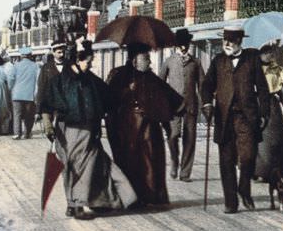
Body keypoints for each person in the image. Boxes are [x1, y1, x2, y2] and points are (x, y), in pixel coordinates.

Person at [40, 39, 136, 219]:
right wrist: (47, 126)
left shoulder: (92, 81)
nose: (90, 65)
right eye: (88, 62)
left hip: (89, 131)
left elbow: (110, 96)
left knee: (86, 166)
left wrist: (127, 90)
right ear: (76, 60)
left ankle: (79, 204)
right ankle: (73, 203)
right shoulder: (58, 82)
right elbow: (45, 106)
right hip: (67, 131)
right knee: (70, 167)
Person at [199, 25, 269, 213]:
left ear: (240, 42)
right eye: (225, 40)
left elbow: (262, 88)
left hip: (247, 117)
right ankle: (231, 201)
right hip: (224, 117)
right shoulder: (218, 61)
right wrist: (207, 104)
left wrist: (264, 113)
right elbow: (206, 86)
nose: (227, 44)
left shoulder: (251, 59)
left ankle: (244, 188)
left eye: (232, 40)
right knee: (226, 160)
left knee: (248, 157)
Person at [107, 43, 184, 207]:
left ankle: (151, 196)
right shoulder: (119, 75)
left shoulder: (151, 78)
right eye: (146, 58)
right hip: (127, 128)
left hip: (149, 129)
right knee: (130, 162)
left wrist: (183, 108)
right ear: (134, 60)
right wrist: (128, 90)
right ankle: (131, 198)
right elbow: (109, 100)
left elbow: (169, 98)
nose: (149, 62)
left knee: (150, 162)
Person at [158, 28, 203, 182]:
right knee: (173, 136)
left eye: (186, 44)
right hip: (173, 107)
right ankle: (174, 162)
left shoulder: (195, 62)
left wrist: (206, 104)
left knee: (190, 139)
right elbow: (160, 83)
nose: (184, 48)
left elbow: (202, 85)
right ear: (176, 46)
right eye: (181, 45)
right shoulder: (169, 61)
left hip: (191, 106)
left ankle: (185, 172)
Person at [254, 42, 283, 191]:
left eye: (272, 52)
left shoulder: (278, 70)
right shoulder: (254, 69)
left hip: (273, 105)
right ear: (260, 53)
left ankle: (274, 171)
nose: (270, 55)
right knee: (260, 139)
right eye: (266, 52)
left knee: (276, 138)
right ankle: (259, 172)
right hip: (257, 104)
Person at [36, 37, 68, 141]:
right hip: (48, 105)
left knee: (62, 132)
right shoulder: (46, 68)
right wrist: (37, 110)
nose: (62, 54)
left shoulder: (70, 66)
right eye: (59, 52)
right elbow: (41, 88)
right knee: (49, 131)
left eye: (63, 52)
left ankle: (59, 151)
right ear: (53, 53)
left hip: (65, 106)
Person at [10, 48, 40, 139]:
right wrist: (36, 93)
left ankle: (17, 133)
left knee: (17, 114)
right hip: (29, 94)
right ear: (30, 55)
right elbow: (38, 81)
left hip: (17, 93)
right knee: (29, 115)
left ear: (21, 56)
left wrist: (11, 88)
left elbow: (11, 78)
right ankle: (27, 133)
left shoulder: (15, 65)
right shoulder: (35, 66)